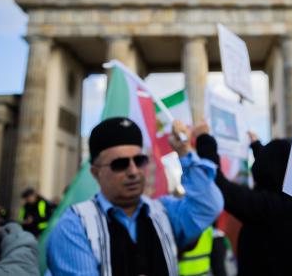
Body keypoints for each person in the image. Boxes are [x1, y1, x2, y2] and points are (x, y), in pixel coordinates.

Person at [47, 117, 223, 276]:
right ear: (95, 172)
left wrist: (184, 152)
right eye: (120, 164)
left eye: (139, 161)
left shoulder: (164, 212)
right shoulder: (75, 226)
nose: (133, 171)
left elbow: (209, 206)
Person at [195, 126, 292, 276]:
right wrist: (256, 145)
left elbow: (222, 187)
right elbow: (276, 167)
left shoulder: (278, 207)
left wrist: (204, 141)